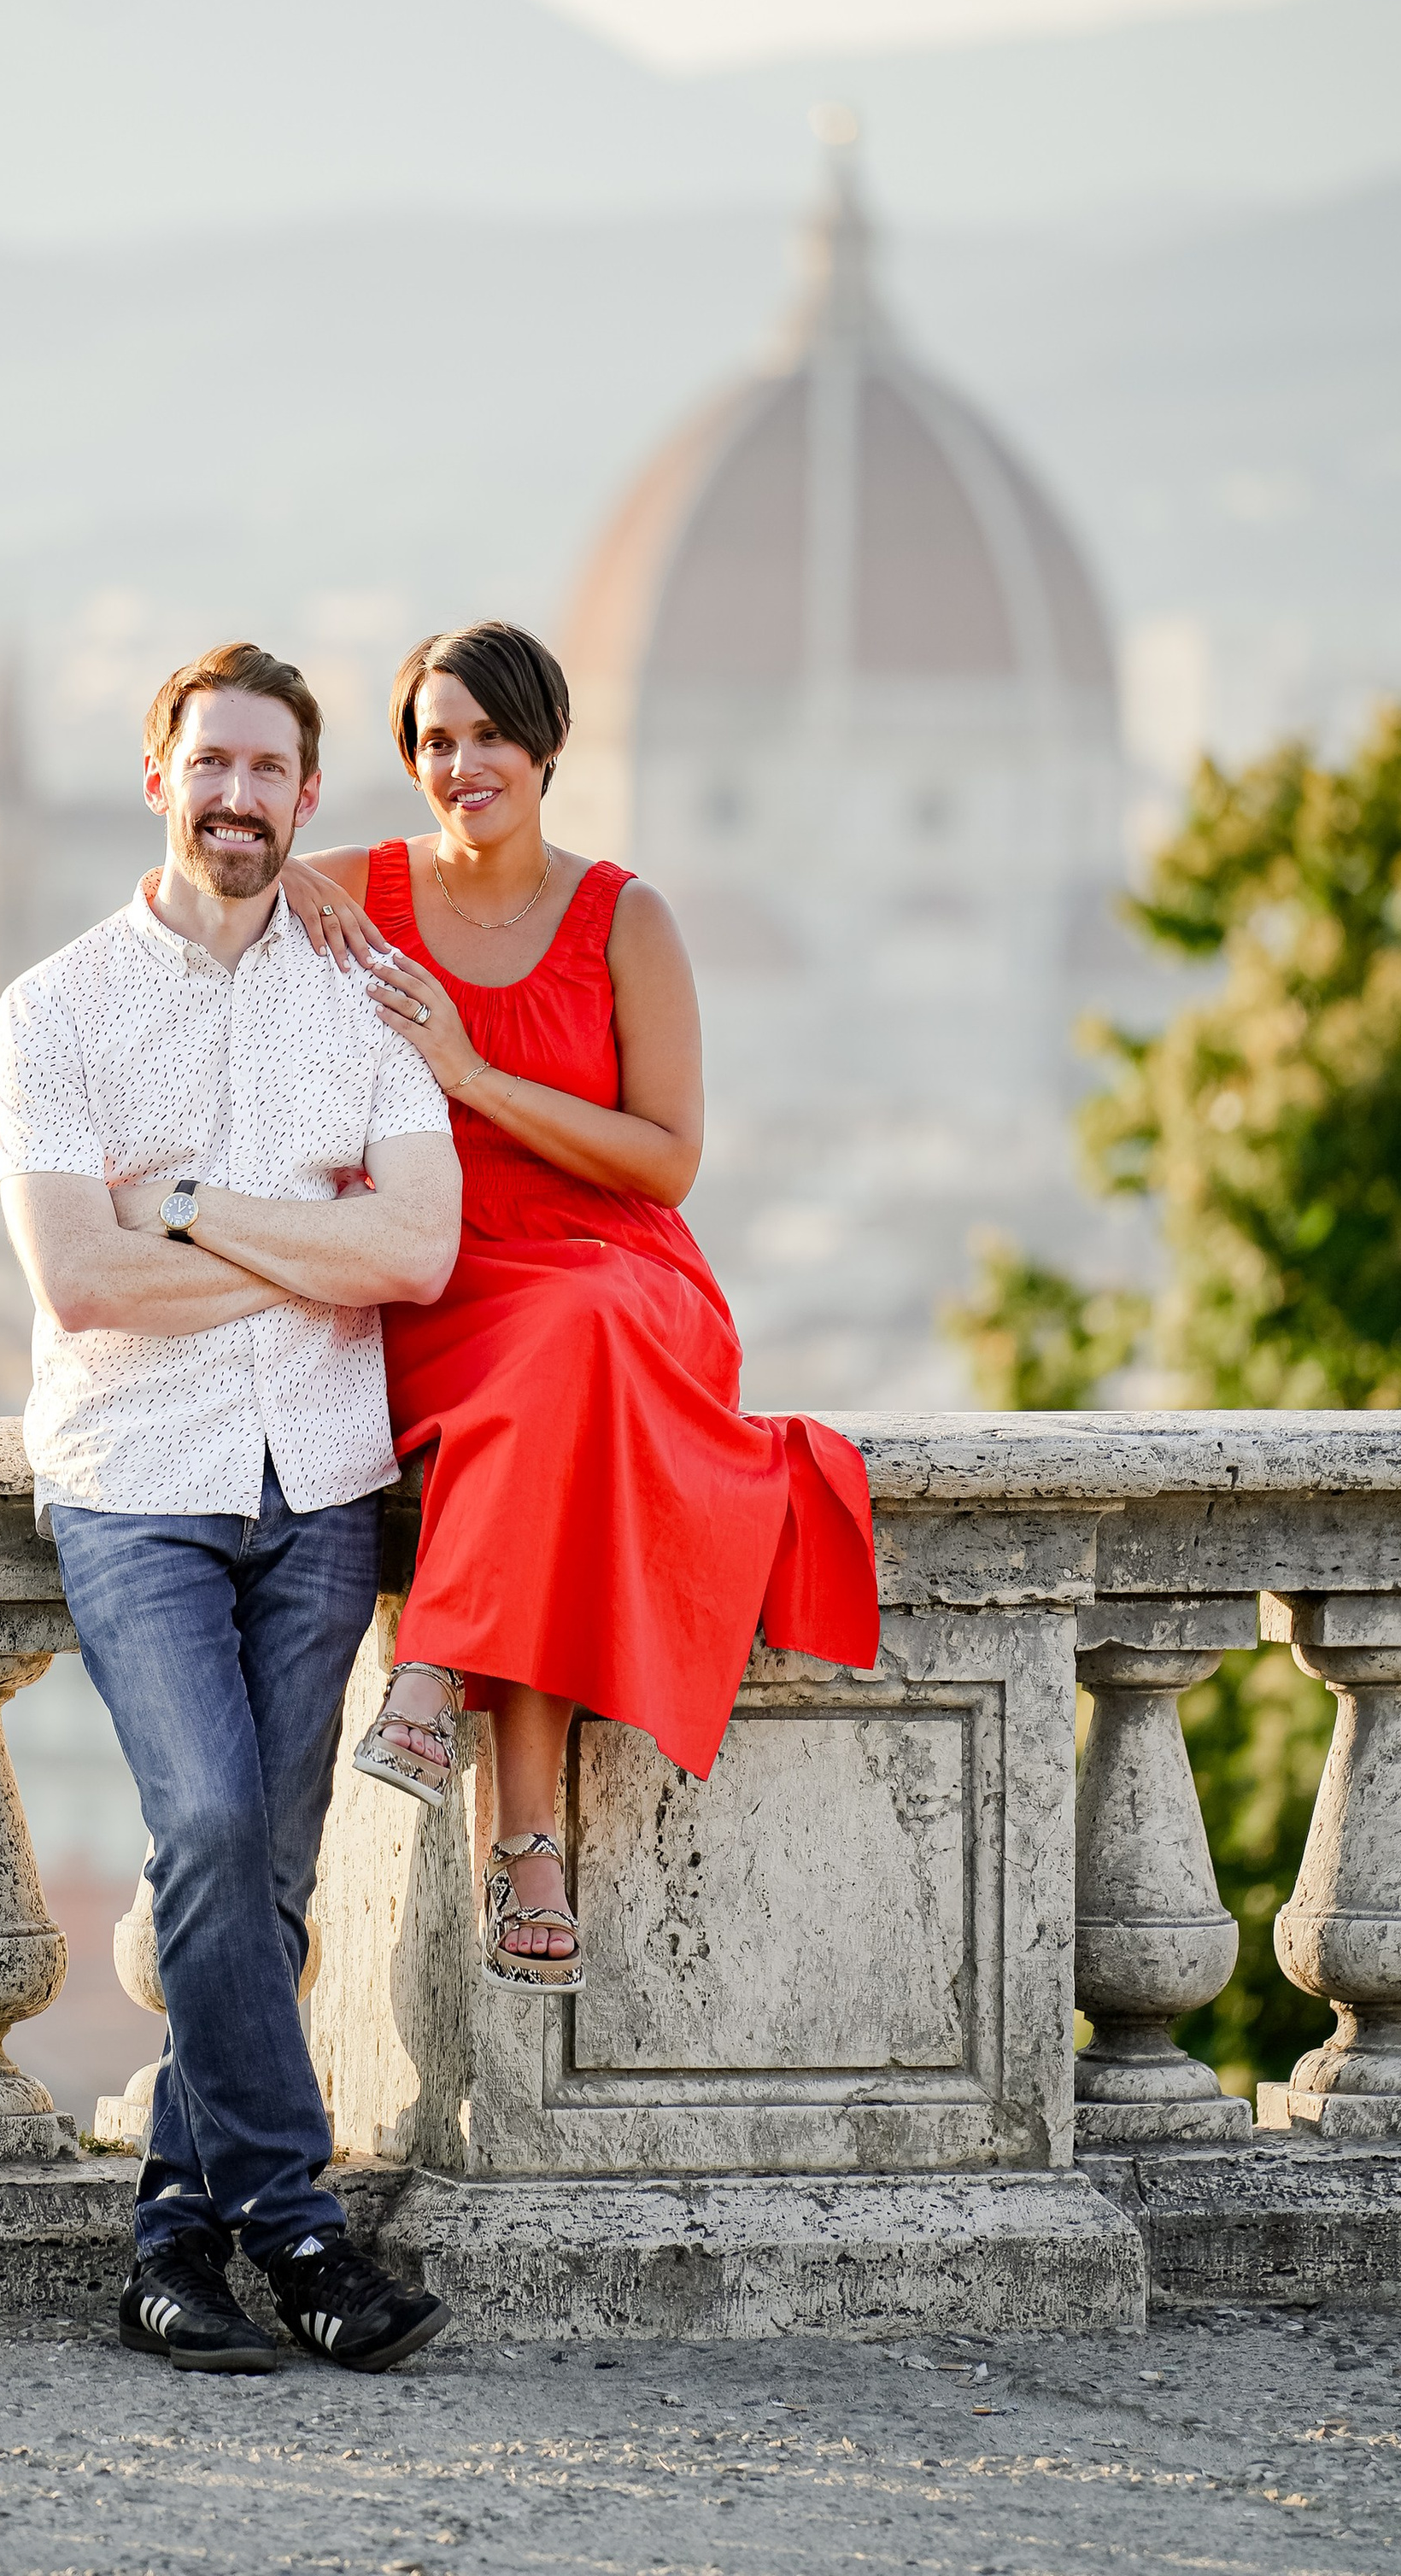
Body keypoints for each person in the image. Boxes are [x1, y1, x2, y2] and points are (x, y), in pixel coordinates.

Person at [281, 618, 879, 1993]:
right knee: (544, 1415)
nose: (461, 762)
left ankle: (454, 1700)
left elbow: (669, 1157)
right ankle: (525, 1841)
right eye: (434, 740)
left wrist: (470, 1073)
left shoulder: (628, 917)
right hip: (441, 1274)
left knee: (567, 1351)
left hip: (619, 1271)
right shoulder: (356, 890)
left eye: (489, 734)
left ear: (547, 745)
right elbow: (190, 882)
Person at [0, 641, 464, 2377]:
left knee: (265, 1885)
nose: (238, 796)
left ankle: (173, 2243)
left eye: (270, 771)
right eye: (212, 765)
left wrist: (183, 1207)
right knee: (201, 1830)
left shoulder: (362, 1000)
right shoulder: (53, 1010)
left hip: (322, 1485)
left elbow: (414, 1252)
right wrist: (294, 1248)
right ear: (157, 778)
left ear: (305, 799)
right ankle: (302, 2228)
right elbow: (81, 1286)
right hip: (137, 1488)